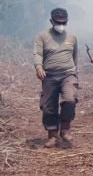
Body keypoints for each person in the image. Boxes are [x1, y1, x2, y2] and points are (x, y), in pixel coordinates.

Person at [33, 8, 78, 148]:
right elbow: (37, 53)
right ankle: (52, 135)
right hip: (49, 75)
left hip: (68, 74)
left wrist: (75, 73)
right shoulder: (42, 36)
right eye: (58, 22)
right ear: (51, 21)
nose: (61, 25)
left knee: (70, 100)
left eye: (63, 22)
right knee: (48, 106)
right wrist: (38, 67)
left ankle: (65, 129)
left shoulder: (72, 37)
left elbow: (75, 56)